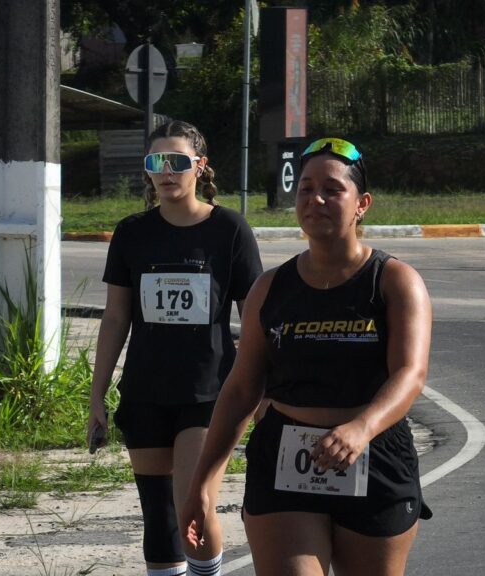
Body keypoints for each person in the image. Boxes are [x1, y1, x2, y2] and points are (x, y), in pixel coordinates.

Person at [181, 137, 433, 576]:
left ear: (362, 204)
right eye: (305, 188)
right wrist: (202, 483)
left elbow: (410, 374)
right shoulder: (271, 288)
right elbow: (241, 390)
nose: (315, 198)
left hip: (372, 455)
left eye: (332, 189)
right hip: (285, 458)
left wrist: (360, 428)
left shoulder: (394, 281)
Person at [88, 120, 263, 576]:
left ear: (199, 167)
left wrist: (263, 390)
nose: (166, 172)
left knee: (195, 505)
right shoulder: (132, 233)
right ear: (147, 172)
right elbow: (115, 319)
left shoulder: (229, 229)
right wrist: (96, 396)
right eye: (156, 163)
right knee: (159, 515)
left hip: (209, 394)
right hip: (145, 391)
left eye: (177, 162)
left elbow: (255, 318)